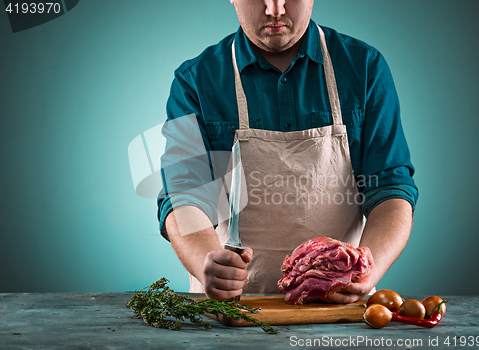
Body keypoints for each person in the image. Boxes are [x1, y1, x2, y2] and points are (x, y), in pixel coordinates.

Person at [157, 0, 418, 304]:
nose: (275, 9)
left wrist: (368, 268)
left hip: (338, 304)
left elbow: (390, 189)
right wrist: (205, 261)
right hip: (234, 308)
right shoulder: (196, 81)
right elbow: (184, 195)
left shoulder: (364, 68)